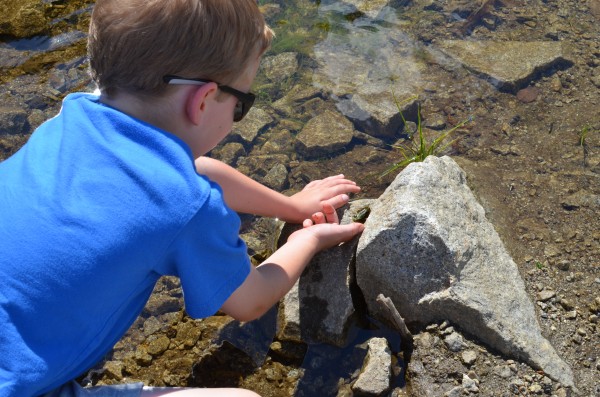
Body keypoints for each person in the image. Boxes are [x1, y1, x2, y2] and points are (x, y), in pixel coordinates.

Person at [0, 0, 365, 396]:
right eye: (241, 104)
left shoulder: (69, 117)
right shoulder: (185, 206)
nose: (238, 112)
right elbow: (252, 302)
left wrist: (291, 207)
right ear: (204, 100)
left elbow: (193, 171)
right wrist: (304, 239)